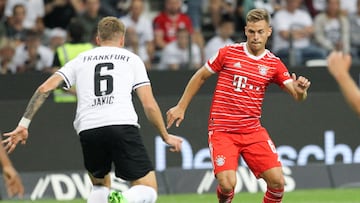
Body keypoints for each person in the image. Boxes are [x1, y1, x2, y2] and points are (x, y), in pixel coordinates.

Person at [3, 16, 182, 203]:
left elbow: (44, 88)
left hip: (89, 129)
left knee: (99, 186)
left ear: (98, 39)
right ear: (122, 40)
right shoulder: (132, 59)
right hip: (121, 125)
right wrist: (165, 136)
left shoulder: (80, 60)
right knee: (147, 188)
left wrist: (24, 124)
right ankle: (122, 200)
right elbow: (148, 104)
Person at [166, 8, 310, 203]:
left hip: (252, 131)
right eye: (251, 31)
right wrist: (181, 106)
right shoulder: (228, 53)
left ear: (269, 31)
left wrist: (301, 92)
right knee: (227, 184)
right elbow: (201, 76)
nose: (255, 37)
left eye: (260, 31)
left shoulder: (273, 64)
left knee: (277, 182)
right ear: (245, 31)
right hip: (222, 131)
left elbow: (297, 95)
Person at [272, 0, 326, 67]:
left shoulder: (304, 14)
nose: (293, 3)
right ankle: (296, 76)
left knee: (321, 53)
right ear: (287, 2)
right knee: (296, 54)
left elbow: (311, 30)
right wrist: (304, 31)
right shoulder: (279, 15)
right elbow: (285, 35)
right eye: (292, 1)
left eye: (296, 1)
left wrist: (294, 33)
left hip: (305, 47)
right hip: (283, 48)